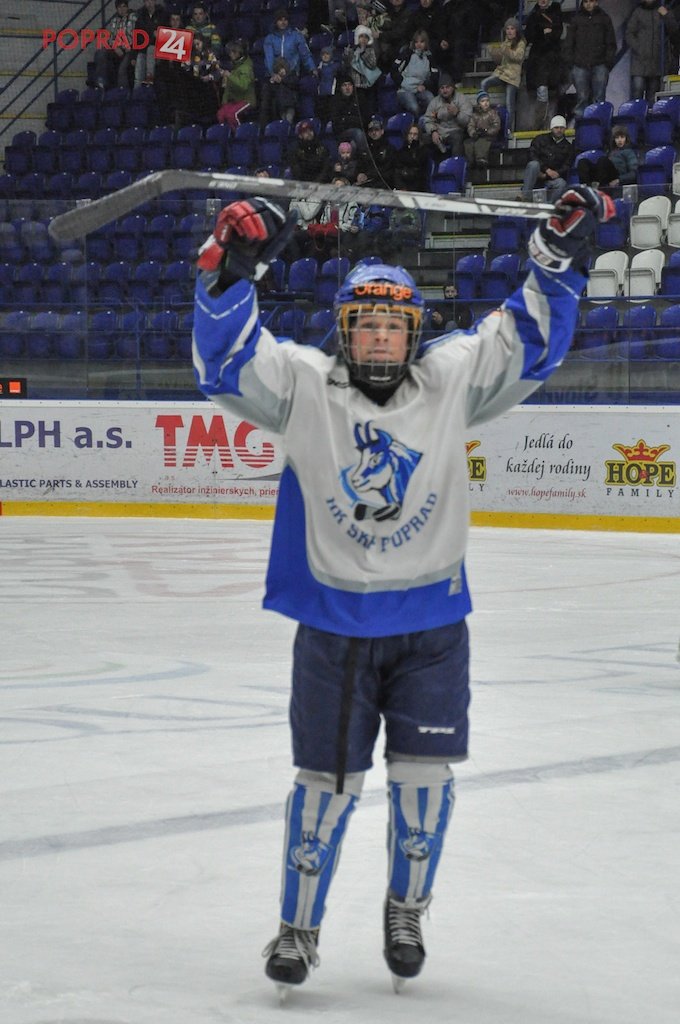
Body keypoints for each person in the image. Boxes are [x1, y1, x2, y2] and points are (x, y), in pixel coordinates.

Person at [190, 183, 615, 995]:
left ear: (415, 331)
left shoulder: (450, 380)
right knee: (325, 790)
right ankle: (297, 928)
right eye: (366, 324)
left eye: (393, 325)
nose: (381, 337)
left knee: (425, 783)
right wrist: (232, 270)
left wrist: (556, 257)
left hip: (431, 629)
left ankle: (406, 910)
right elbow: (225, 362)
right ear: (343, 328)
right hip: (335, 629)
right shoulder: (303, 386)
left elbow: (529, 340)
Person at [260, 9, 317, 128]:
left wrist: (312, 68)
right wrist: (273, 73)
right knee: (267, 94)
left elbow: (305, 54)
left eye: (285, 19)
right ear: (276, 22)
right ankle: (269, 127)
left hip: (291, 74)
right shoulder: (270, 38)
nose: (283, 22)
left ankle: (288, 123)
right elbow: (269, 58)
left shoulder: (296, 36)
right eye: (280, 20)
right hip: (274, 75)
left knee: (288, 90)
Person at [563, 0, 616, 120]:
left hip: (600, 64)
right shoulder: (576, 19)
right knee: (582, 98)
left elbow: (611, 42)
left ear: (596, 2)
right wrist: (571, 63)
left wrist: (607, 63)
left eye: (591, 1)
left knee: (599, 98)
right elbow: (569, 43)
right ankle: (581, 126)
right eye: (585, 1)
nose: (588, 4)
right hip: (579, 65)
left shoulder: (604, 18)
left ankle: (600, 124)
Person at [625, 0, 680, 103]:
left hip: (656, 64)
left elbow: (674, 30)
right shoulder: (638, 12)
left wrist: (666, 15)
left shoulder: (663, 11)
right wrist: (639, 48)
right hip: (639, 63)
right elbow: (629, 33)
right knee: (637, 95)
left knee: (653, 98)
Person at [524, 0, 564, 130]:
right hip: (538, 61)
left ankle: (550, 126)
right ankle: (540, 125)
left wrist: (543, 33)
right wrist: (543, 32)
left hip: (553, 62)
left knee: (553, 96)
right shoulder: (533, 16)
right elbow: (529, 35)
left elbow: (557, 33)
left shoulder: (556, 13)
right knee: (542, 93)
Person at [480, 17, 526, 131]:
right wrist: (494, 52)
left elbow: (518, 57)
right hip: (502, 73)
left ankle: (508, 130)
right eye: (507, 28)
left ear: (517, 31)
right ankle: (485, 111)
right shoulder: (505, 41)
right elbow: (502, 58)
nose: (509, 31)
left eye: (512, 29)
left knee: (509, 105)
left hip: (512, 77)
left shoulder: (521, 43)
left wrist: (505, 51)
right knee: (484, 83)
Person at [518, 114, 573, 202]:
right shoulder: (540, 139)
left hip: (552, 178)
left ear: (565, 129)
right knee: (533, 164)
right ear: (551, 128)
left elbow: (567, 165)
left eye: (561, 128)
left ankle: (550, 205)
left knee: (561, 183)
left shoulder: (568, 147)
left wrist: (556, 173)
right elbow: (532, 155)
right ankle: (525, 196)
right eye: (556, 127)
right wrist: (546, 170)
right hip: (537, 174)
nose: (559, 130)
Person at [423, 73, 473, 158]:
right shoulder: (435, 102)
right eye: (442, 88)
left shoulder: (462, 99)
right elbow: (428, 119)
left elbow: (467, 121)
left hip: (456, 130)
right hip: (439, 131)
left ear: (453, 87)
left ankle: (455, 164)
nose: (445, 90)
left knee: (457, 138)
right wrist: (433, 131)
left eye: (447, 87)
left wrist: (457, 113)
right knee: (423, 139)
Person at [392, 29, 438, 118]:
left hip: (420, 89)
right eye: (416, 42)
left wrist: (425, 86)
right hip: (405, 89)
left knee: (431, 100)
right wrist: (403, 83)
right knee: (414, 107)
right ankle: (415, 125)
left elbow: (434, 76)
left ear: (426, 43)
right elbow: (394, 70)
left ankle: (429, 123)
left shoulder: (429, 57)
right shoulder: (406, 54)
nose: (419, 44)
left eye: (422, 42)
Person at [576, 124, 639, 189]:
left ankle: (601, 188)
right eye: (617, 138)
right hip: (604, 175)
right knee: (582, 162)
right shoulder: (610, 152)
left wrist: (619, 179)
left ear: (626, 138)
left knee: (603, 160)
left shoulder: (629, 152)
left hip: (616, 176)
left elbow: (634, 173)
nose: (619, 140)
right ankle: (586, 188)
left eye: (622, 137)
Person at [94, 0, 137, 90]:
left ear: (127, 7)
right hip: (117, 48)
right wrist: (115, 47)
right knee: (100, 52)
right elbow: (111, 38)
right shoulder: (114, 20)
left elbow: (137, 36)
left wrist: (126, 47)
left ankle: (123, 92)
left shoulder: (134, 17)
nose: (122, 9)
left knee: (122, 70)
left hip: (130, 50)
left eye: (124, 6)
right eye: (119, 7)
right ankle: (101, 82)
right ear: (117, 9)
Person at [217, 39, 256, 131]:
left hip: (247, 99)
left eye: (234, 52)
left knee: (232, 114)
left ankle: (240, 135)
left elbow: (243, 86)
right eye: (230, 51)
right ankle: (226, 136)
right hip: (234, 100)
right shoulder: (233, 65)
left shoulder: (246, 67)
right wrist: (224, 103)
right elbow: (227, 88)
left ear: (241, 53)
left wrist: (229, 76)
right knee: (220, 114)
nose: (231, 54)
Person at [463, 90, 501, 169]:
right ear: (478, 103)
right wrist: (473, 133)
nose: (485, 103)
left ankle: (481, 159)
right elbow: (470, 126)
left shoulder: (493, 113)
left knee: (482, 142)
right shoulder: (474, 115)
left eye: (487, 100)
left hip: (489, 136)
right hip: (478, 135)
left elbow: (496, 126)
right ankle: (470, 161)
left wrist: (487, 131)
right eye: (482, 101)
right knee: (468, 143)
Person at [133, 0, 165, 85]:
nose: (149, 3)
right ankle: (137, 89)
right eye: (147, 1)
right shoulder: (140, 15)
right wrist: (133, 56)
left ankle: (149, 77)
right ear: (144, 2)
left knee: (150, 49)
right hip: (144, 48)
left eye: (151, 0)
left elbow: (167, 32)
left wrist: (159, 35)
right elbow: (137, 36)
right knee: (140, 60)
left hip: (159, 48)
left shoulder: (162, 14)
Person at [393, 123, 429, 190]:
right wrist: (401, 187)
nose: (412, 136)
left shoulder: (424, 151)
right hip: (402, 186)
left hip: (417, 186)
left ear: (419, 136)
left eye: (415, 134)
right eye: (410, 133)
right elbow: (397, 170)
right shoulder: (401, 151)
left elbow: (420, 172)